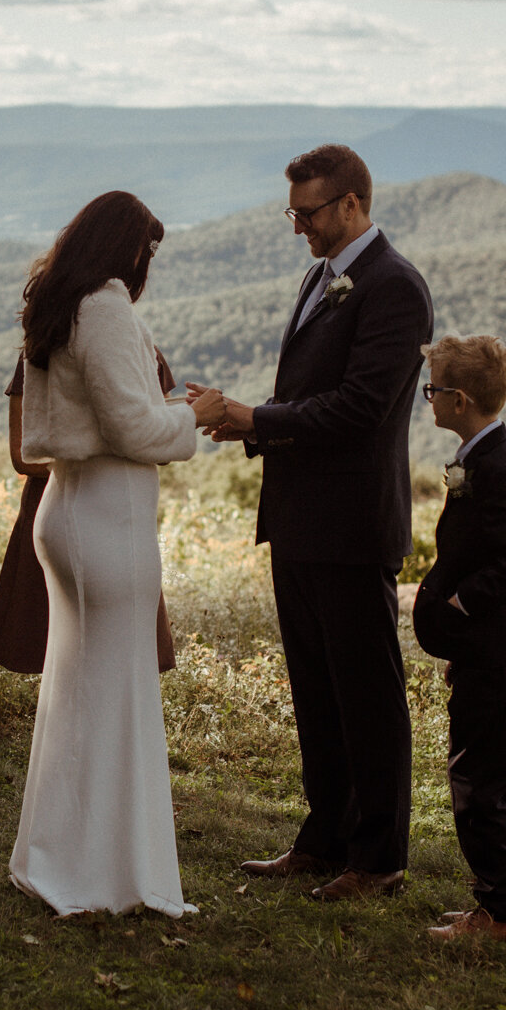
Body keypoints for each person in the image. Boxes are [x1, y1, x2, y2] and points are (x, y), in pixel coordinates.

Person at [189, 144, 434, 902]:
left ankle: (380, 856)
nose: (298, 226)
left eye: (309, 212)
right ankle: (326, 837)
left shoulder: (394, 288)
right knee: (317, 690)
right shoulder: (322, 276)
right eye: (291, 211)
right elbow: (308, 393)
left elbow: (361, 409)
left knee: (366, 694)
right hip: (299, 518)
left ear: (353, 205)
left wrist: (255, 415)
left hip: (354, 522)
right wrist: (250, 428)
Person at [8, 191, 226, 917]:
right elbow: (133, 426)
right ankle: (104, 873)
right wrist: (194, 412)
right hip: (104, 519)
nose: (148, 265)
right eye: (148, 249)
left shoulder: (60, 301)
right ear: (123, 246)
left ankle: (64, 856)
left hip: (71, 510)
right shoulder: (101, 306)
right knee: (114, 695)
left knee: (80, 692)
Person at [409, 336, 506, 943]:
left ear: (459, 399)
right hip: (490, 649)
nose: (428, 399)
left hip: (496, 645)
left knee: (475, 784)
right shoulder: (484, 453)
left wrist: (461, 604)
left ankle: (498, 913)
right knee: (503, 778)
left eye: (432, 390)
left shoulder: (496, 464)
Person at [0, 350, 178, 677]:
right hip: (57, 506)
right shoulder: (39, 351)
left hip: (117, 511)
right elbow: (21, 455)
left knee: (119, 648)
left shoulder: (141, 349)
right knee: (53, 647)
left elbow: (164, 445)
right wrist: (113, 454)